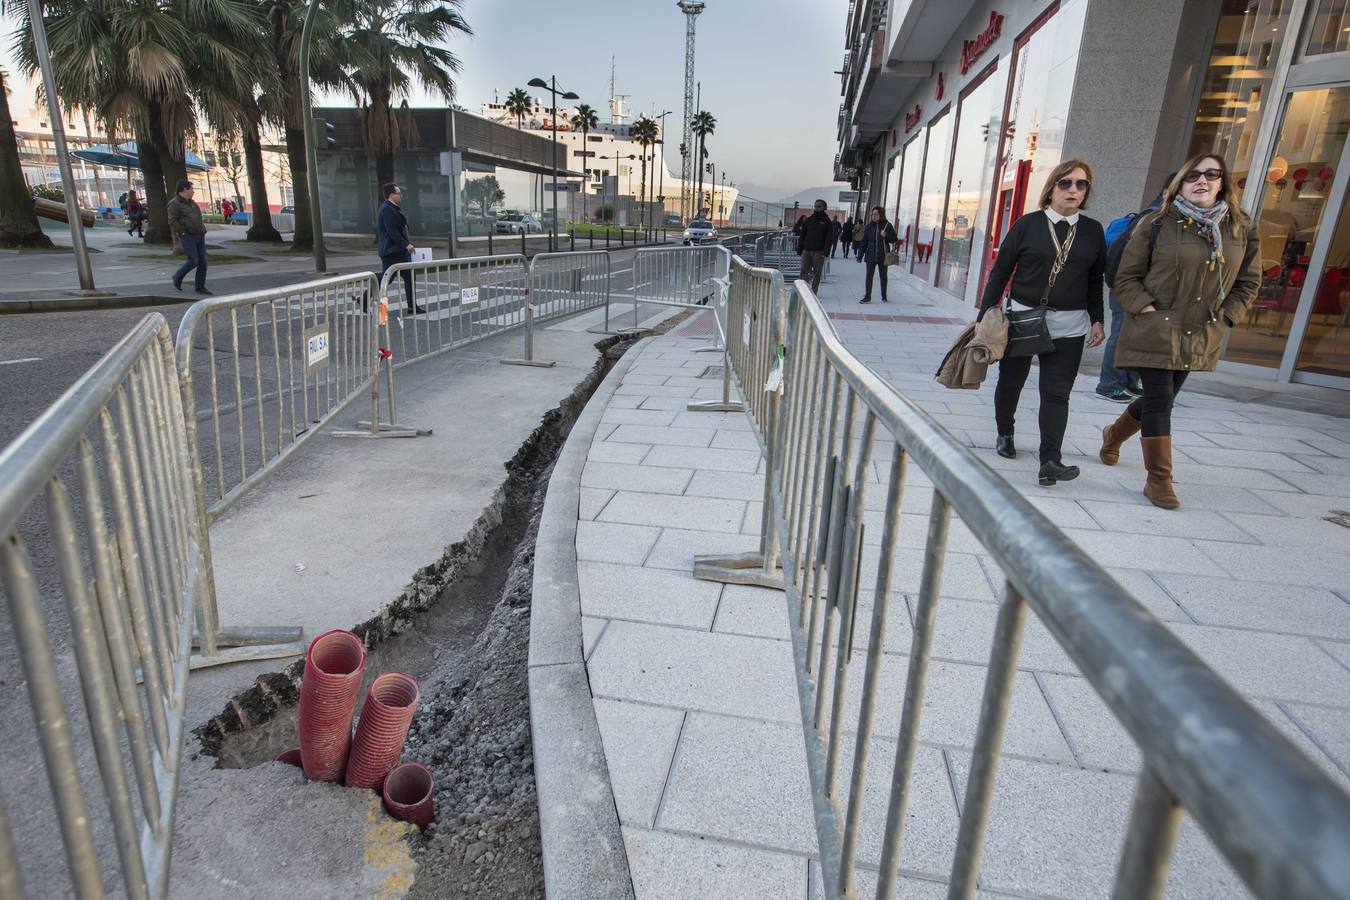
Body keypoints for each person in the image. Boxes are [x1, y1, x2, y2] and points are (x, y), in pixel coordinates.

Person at [1101, 153, 1260, 509]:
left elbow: (1249, 282)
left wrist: (1227, 316)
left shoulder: (1240, 228)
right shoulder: (1157, 223)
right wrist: (1146, 308)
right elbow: (1126, 277)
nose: (1202, 181)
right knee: (1160, 400)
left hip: (1201, 331)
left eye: (1211, 174)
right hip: (1156, 327)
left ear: (1223, 183)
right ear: (1179, 185)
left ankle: (1113, 434)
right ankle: (1159, 480)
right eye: (1193, 176)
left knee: (1164, 398)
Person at [977, 158, 1107, 486]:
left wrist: (1097, 319)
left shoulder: (1092, 231)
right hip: (1023, 317)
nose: (1074, 190)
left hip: (1071, 324)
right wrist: (985, 313)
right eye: (1066, 183)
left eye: (1082, 184)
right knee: (1012, 382)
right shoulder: (1027, 225)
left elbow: (1095, 279)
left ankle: (1050, 459)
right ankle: (1005, 432)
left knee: (1057, 393)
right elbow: (1002, 269)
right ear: (1051, 189)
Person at [1095, 176, 1175, 402]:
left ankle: (1128, 381)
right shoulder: (1151, 218)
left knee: (1137, 337)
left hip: (1143, 290)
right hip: (1127, 287)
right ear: (1167, 192)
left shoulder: (1166, 220)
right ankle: (1109, 384)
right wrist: (1122, 286)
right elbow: (1122, 254)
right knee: (1121, 336)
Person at [377, 183, 424, 314]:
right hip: (392, 251)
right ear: (392, 195)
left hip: (398, 251)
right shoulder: (387, 209)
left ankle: (412, 306)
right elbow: (392, 231)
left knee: (409, 276)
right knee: (387, 279)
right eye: (398, 193)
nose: (400, 196)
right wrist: (406, 244)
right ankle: (365, 299)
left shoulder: (392, 208)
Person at [167, 180, 210, 294]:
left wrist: (202, 228)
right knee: (194, 260)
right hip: (188, 235)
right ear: (185, 189)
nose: (193, 191)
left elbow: (197, 217)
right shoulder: (175, 203)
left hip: (199, 234)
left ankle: (200, 286)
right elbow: (172, 220)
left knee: (203, 261)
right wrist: (182, 232)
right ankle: (177, 277)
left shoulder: (192, 203)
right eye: (191, 188)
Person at [857, 205, 897, 304]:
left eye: (876, 214)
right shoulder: (869, 227)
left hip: (882, 255)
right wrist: (860, 255)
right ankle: (867, 297)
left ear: (881, 215)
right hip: (870, 254)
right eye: (872, 214)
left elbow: (894, 239)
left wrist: (885, 236)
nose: (873, 216)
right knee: (869, 276)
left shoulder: (887, 225)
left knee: (883, 276)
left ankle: (884, 296)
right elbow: (864, 242)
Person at [795, 200, 833, 293]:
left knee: (817, 273)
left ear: (824, 208)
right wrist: (799, 249)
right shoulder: (809, 220)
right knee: (803, 271)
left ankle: (814, 292)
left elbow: (829, 238)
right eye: (815, 206)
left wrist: (826, 252)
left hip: (819, 252)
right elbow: (802, 235)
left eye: (819, 206)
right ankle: (802, 292)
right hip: (806, 250)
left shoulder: (827, 222)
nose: (817, 208)